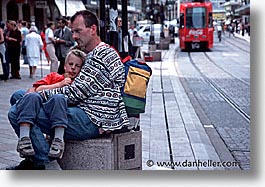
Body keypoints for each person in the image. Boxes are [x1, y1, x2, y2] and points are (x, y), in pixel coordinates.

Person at [8, 10, 129, 170]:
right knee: (19, 97)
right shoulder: (92, 53)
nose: (74, 36)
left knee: (17, 111)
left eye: (78, 31)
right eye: (73, 31)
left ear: (93, 29)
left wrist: (39, 92)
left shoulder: (102, 55)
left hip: (93, 119)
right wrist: (39, 91)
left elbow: (74, 94)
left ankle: (44, 163)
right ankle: (35, 158)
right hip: (83, 110)